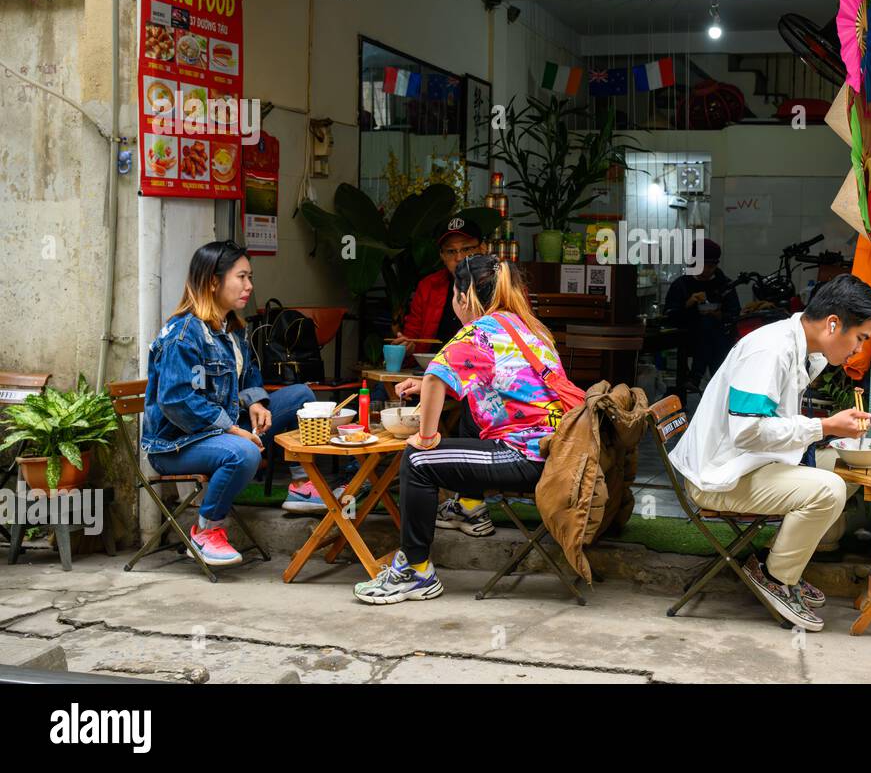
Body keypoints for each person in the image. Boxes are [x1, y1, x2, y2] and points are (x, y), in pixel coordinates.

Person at [667, 274, 871, 631]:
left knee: (848, 467)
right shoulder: (770, 350)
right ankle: (774, 576)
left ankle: (786, 565)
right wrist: (825, 427)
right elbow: (747, 429)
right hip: (721, 476)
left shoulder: (800, 349)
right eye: (860, 337)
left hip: (749, 465)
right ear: (834, 324)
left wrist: (827, 431)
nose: (859, 350)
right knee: (828, 488)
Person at [354, 254, 568, 603]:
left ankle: (416, 572)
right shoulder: (524, 326)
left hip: (526, 457)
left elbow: (439, 373)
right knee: (471, 408)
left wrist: (425, 438)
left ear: (463, 297)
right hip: (552, 450)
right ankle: (468, 506)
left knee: (417, 461)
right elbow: (496, 379)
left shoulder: (478, 331)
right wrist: (423, 384)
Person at [141, 241, 317, 567]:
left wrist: (256, 403)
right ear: (212, 281)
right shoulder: (184, 334)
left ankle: (302, 486)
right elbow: (178, 401)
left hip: (222, 427)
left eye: (250, 277)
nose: (249, 286)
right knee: (244, 452)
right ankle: (206, 529)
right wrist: (233, 429)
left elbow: (248, 372)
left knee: (301, 397)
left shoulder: (232, 327)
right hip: (176, 444)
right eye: (241, 277)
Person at [391, 215, 485, 358]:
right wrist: (407, 347)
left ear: (483, 248)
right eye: (451, 251)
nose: (459, 258)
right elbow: (412, 337)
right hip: (432, 371)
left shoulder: (502, 285)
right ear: (441, 255)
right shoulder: (429, 286)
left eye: (466, 249)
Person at [663, 238, 740, 388]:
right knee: (707, 329)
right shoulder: (682, 285)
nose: (707, 270)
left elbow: (735, 314)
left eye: (711, 266)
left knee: (710, 327)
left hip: (720, 337)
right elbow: (670, 315)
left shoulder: (724, 284)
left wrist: (720, 315)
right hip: (690, 336)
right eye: (702, 265)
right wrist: (689, 304)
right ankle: (718, 382)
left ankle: (696, 376)